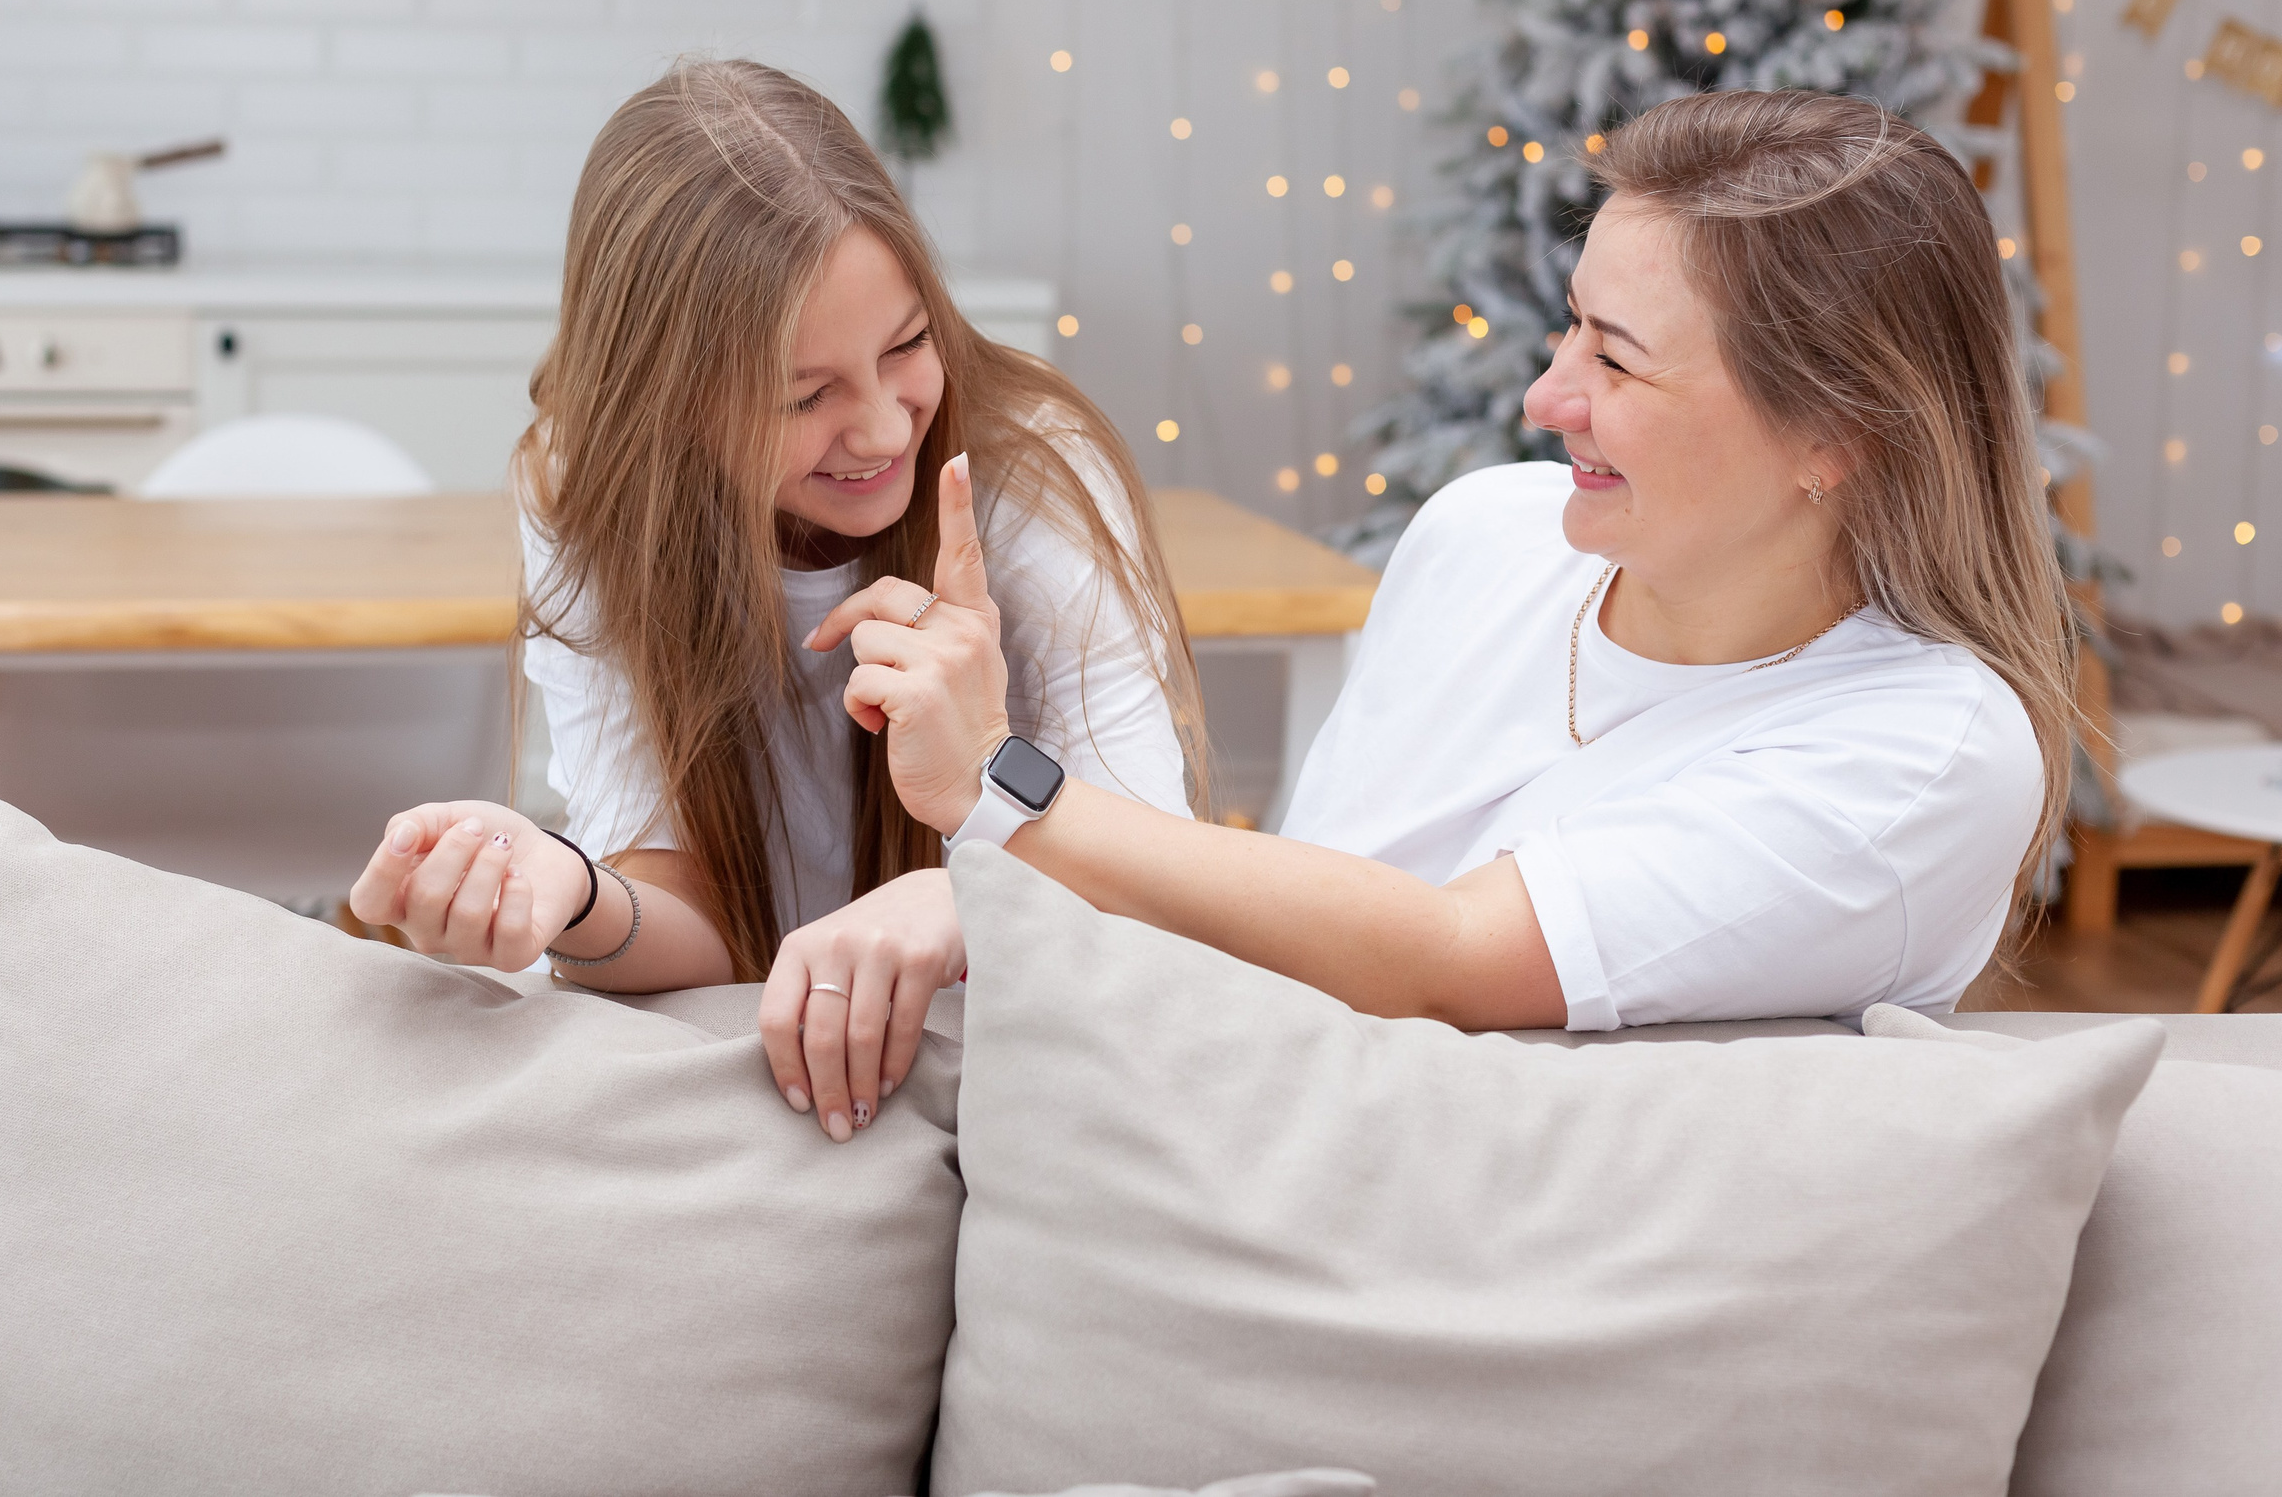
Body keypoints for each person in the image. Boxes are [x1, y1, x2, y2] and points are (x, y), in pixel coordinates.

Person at [786, 88, 2074, 1092]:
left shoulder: (1926, 750)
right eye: (1569, 325)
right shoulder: (1488, 535)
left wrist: (1001, 793)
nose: (1545, 397)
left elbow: (1445, 958)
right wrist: (976, 902)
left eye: (1617, 362)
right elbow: (1301, 913)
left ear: (1834, 432)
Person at [347, 59, 1205, 1142]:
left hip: (1020, 1058)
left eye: (905, 347)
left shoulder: (1026, 473)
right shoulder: (588, 494)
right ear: (665, 404)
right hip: (761, 1068)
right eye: (805, 396)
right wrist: (568, 890)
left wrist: (968, 879)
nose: (888, 430)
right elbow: (688, 914)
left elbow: (1166, 881)